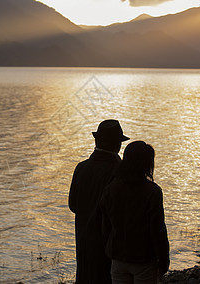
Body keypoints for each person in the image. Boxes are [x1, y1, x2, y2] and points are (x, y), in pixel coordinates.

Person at [100, 141, 170, 284]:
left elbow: (106, 224)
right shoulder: (153, 192)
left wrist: (109, 249)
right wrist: (163, 259)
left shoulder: (111, 188)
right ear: (147, 164)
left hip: (118, 257)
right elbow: (157, 229)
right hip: (143, 259)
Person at [69, 119, 129, 283]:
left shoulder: (81, 167)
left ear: (96, 141)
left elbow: (72, 205)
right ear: (117, 145)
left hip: (84, 239)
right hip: (110, 243)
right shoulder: (120, 170)